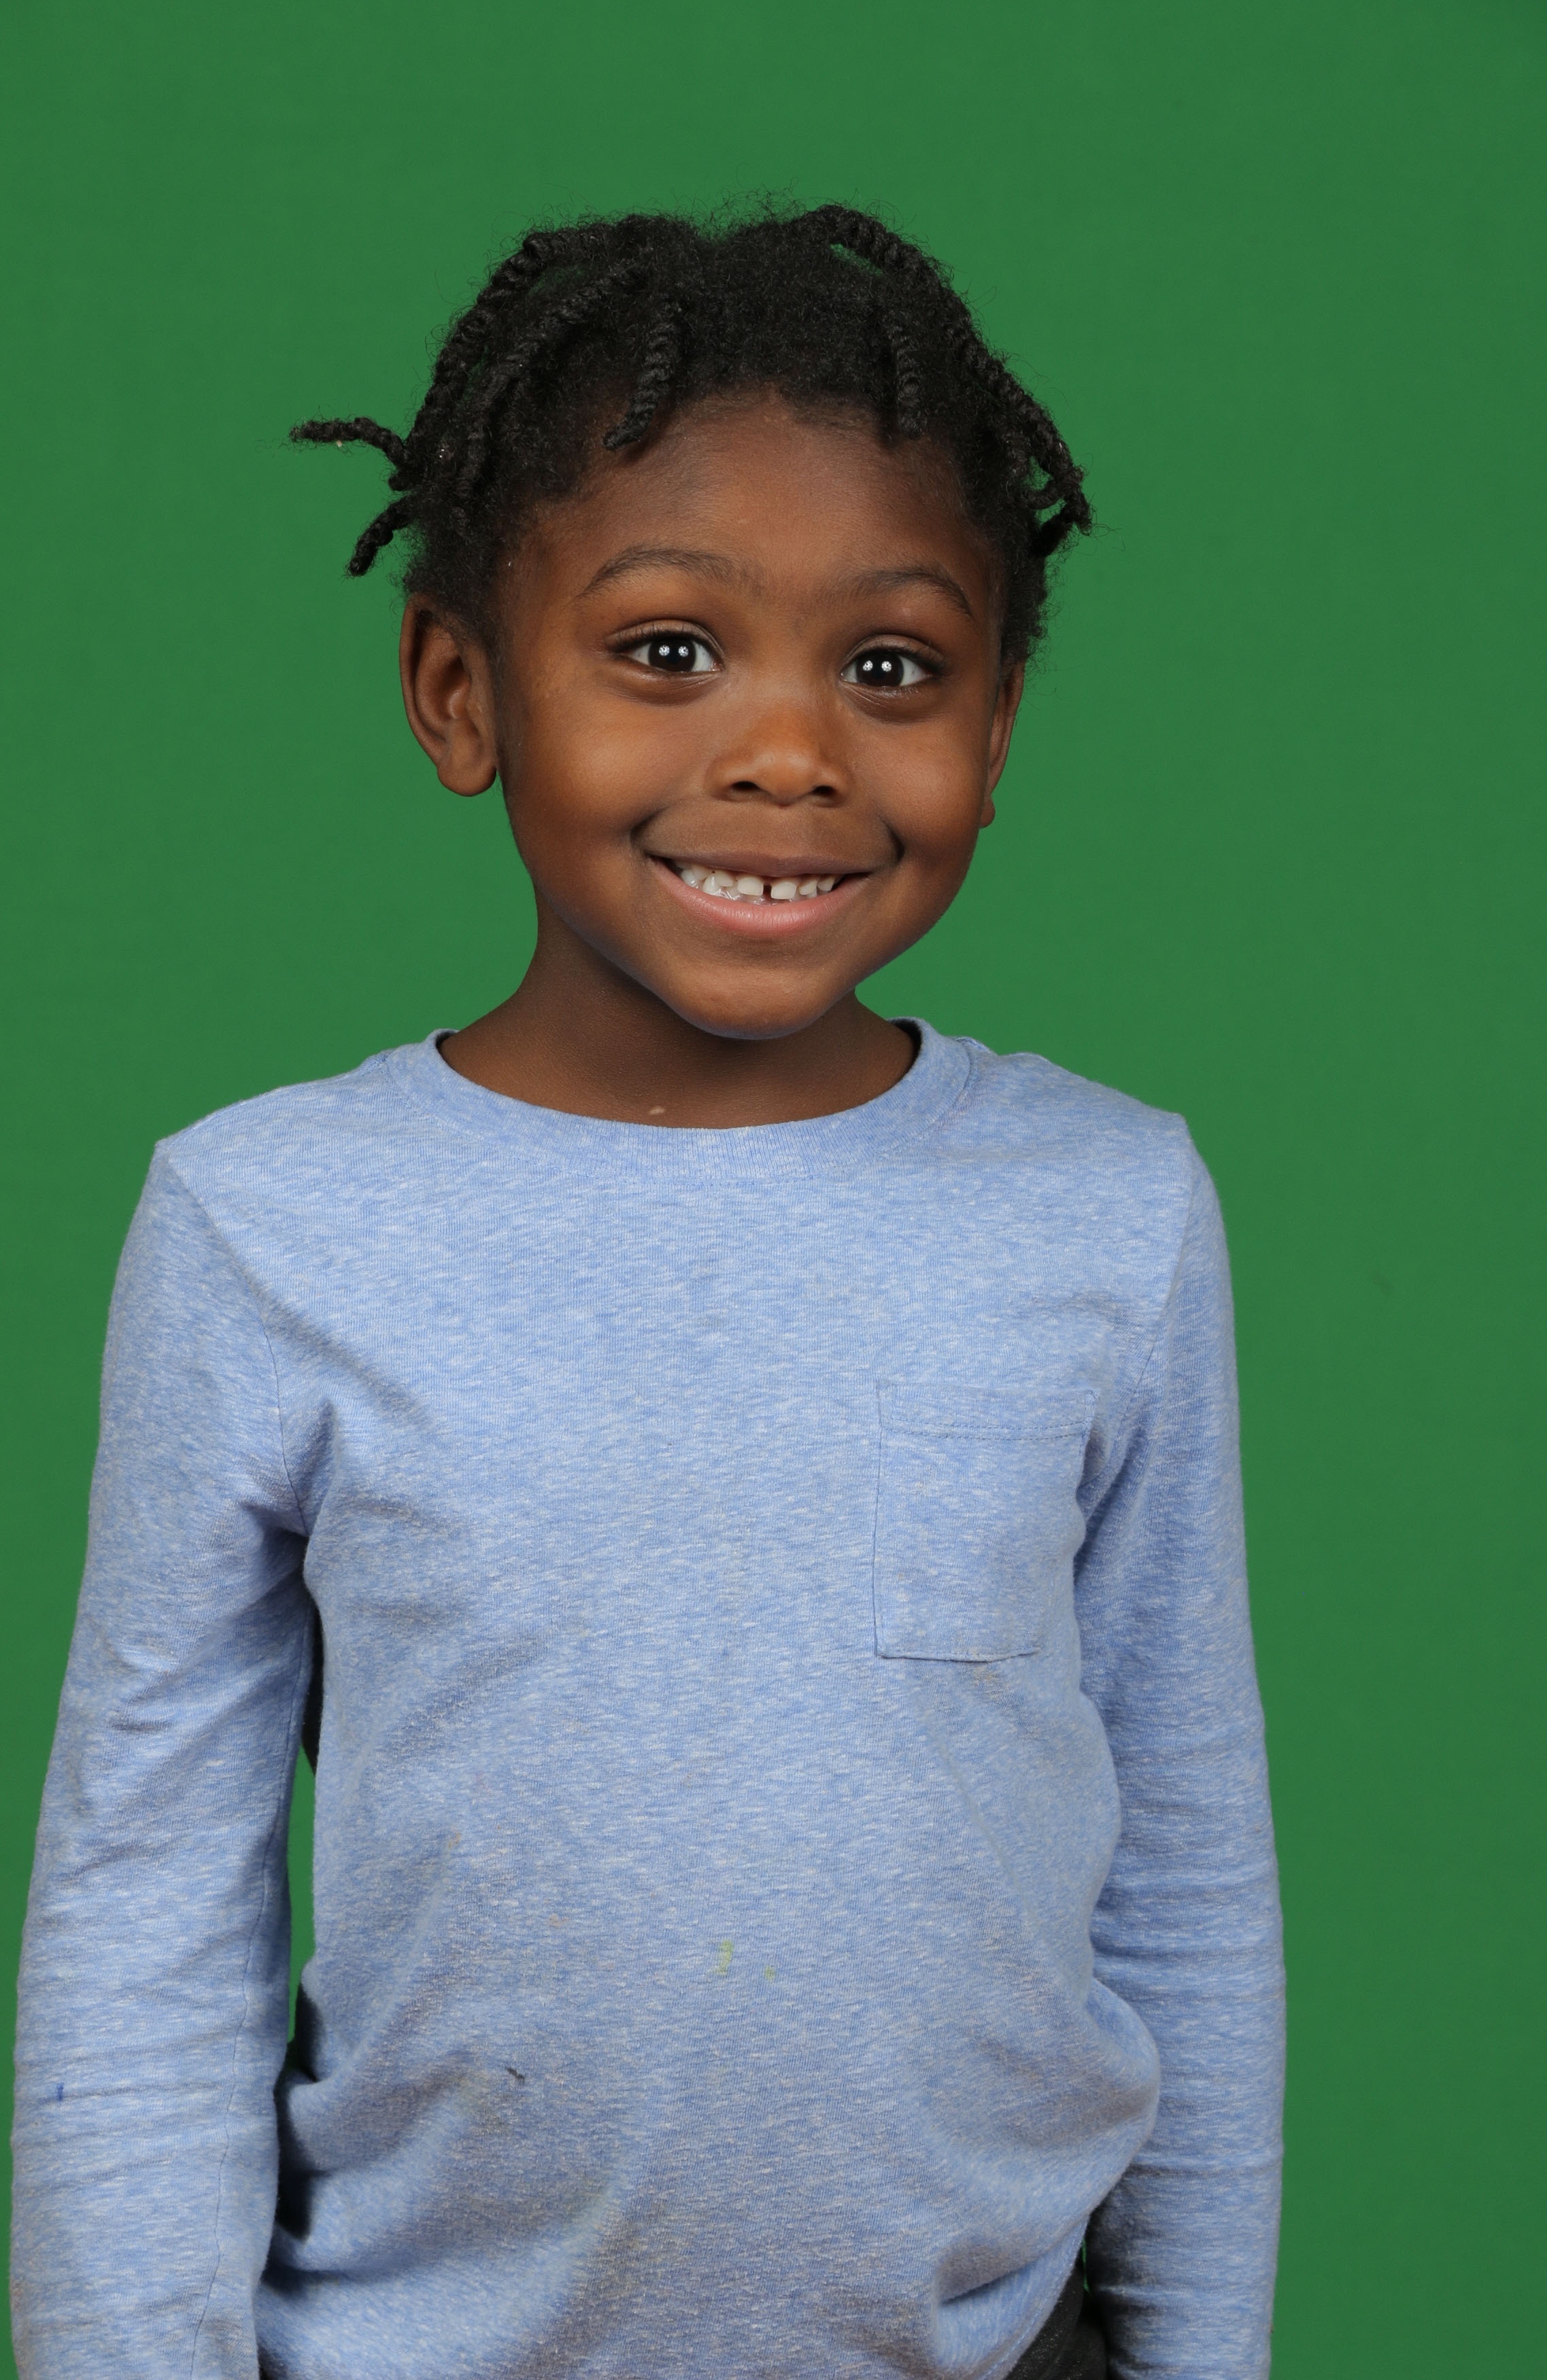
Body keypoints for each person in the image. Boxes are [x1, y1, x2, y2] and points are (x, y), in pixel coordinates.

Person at [10, 205, 1284, 2380]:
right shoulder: (265, 1224)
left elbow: (1181, 1868)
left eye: (894, 670)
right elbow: (148, 1900)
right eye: (670, 649)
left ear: (999, 717)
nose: (790, 751)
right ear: (459, 690)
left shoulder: (1104, 1209)